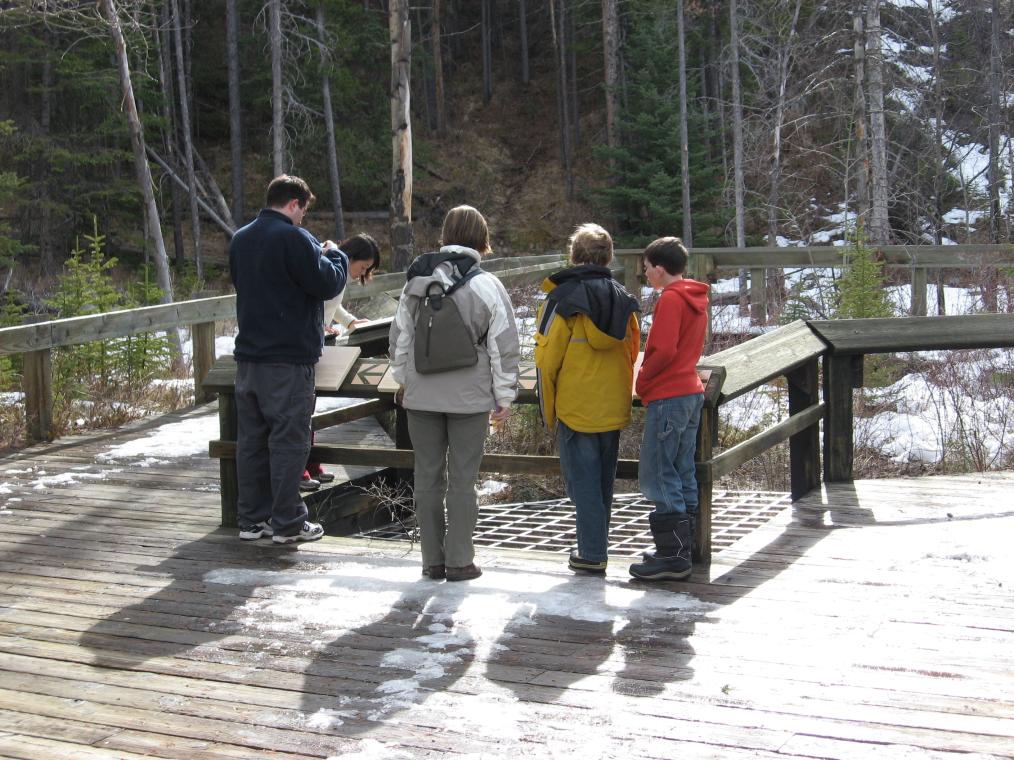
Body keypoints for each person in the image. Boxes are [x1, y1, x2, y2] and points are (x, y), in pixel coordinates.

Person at [389, 205, 520, 582]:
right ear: (482, 239)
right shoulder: (487, 285)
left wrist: (405, 381)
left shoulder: (416, 281)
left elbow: (400, 339)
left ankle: (432, 561)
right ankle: (460, 561)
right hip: (470, 399)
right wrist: (504, 397)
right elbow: (504, 347)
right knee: (463, 480)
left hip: (421, 396)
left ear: (445, 236)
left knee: (427, 477)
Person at [229, 174, 348, 544]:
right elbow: (328, 282)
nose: (302, 218)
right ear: (294, 203)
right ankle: (288, 523)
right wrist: (336, 255)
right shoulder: (295, 238)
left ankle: (252, 520)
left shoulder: (240, 239)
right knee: (289, 442)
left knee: (252, 443)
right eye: (303, 211)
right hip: (288, 361)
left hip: (249, 358)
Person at [534, 224, 640, 575]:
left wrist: (548, 412)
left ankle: (592, 554)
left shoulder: (562, 299)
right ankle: (595, 547)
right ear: (608, 257)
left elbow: (546, 359)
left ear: (574, 254)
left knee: (582, 484)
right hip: (613, 405)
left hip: (575, 407)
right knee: (602, 484)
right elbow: (632, 351)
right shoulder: (624, 299)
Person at [629, 237, 709, 581]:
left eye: (647, 267)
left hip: (669, 395)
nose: (645, 273)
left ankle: (672, 556)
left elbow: (662, 349)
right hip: (690, 391)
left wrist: (643, 380)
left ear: (660, 269)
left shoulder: (672, 299)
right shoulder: (695, 297)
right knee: (682, 469)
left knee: (657, 473)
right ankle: (683, 550)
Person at [302, 233, 382, 491]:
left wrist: (349, 321)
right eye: (363, 266)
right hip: (303, 344)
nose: (362, 273)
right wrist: (319, 324)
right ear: (352, 256)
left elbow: (330, 304)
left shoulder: (338, 271)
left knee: (309, 405)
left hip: (315, 342)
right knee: (301, 408)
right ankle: (300, 467)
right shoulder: (328, 266)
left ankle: (310, 460)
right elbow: (311, 300)